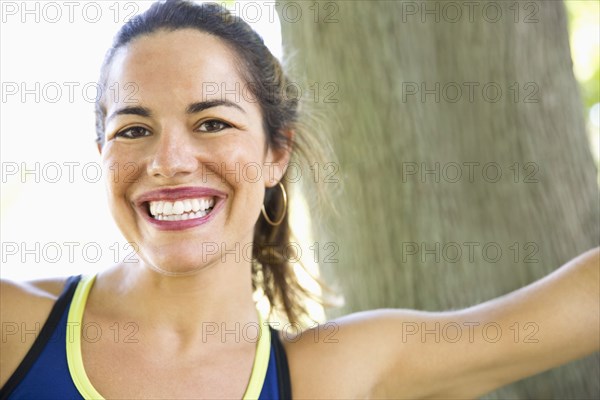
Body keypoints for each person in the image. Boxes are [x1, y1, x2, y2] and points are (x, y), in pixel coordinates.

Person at [0, 1, 598, 398]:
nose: (169, 161)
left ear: (275, 154)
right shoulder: (15, 330)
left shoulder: (329, 374)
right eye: (133, 130)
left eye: (211, 123)